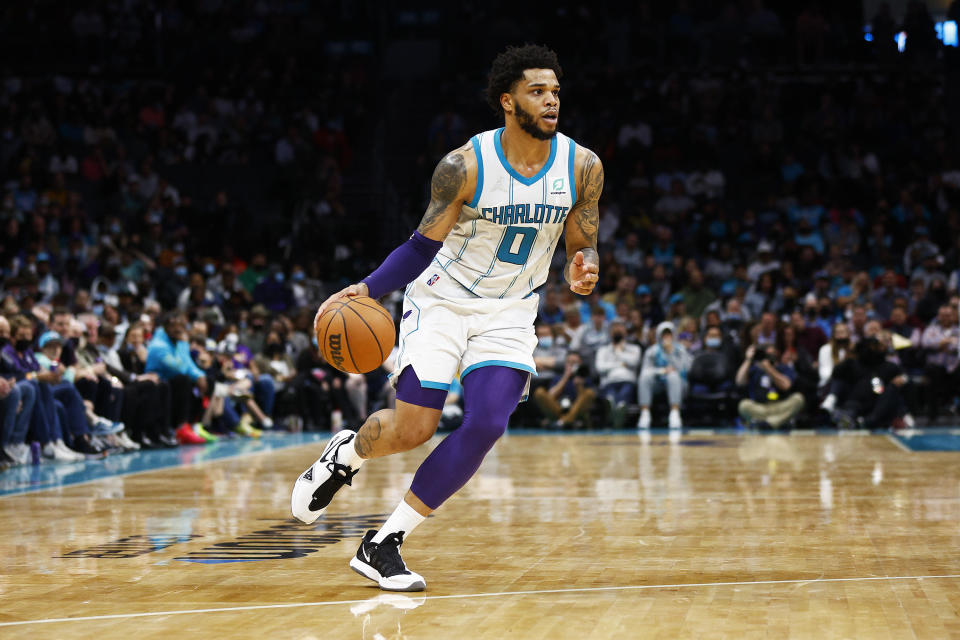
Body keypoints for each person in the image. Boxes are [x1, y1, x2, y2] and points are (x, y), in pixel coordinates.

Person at [290, 44, 602, 591]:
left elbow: (582, 238)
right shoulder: (464, 166)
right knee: (414, 430)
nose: (552, 100)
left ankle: (384, 542)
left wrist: (585, 264)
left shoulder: (583, 167)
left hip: (509, 312)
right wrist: (363, 289)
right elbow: (418, 248)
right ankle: (346, 455)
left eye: (555, 91)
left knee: (486, 423)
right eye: (537, 91)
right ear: (508, 102)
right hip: (441, 302)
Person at [736, 342, 805, 429]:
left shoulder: (783, 368)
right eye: (767, 355)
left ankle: (768, 423)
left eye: (772, 354)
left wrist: (769, 369)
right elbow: (739, 382)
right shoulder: (756, 369)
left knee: (798, 399)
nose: (769, 357)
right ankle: (775, 422)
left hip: (780, 406)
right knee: (743, 405)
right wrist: (748, 359)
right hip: (760, 408)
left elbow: (786, 386)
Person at [636, 321, 689, 430]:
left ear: (673, 335)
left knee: (673, 375)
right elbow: (645, 370)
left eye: (669, 334)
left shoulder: (680, 350)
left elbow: (685, 369)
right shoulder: (652, 351)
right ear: (659, 336)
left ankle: (675, 413)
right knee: (644, 377)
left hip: (678, 384)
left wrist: (671, 353)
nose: (667, 337)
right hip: (658, 383)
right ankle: (645, 413)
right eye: (664, 334)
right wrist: (662, 371)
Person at [594, 320, 641, 428]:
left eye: (620, 328)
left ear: (625, 332)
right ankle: (616, 416)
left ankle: (616, 416)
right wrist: (620, 364)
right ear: (610, 333)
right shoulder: (603, 350)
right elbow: (600, 368)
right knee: (610, 398)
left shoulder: (634, 349)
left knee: (623, 396)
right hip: (608, 382)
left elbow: (634, 362)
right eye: (615, 329)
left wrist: (619, 351)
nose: (617, 331)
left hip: (627, 381)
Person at [532, 351, 596, 428]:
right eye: (569, 362)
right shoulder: (558, 377)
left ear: (580, 363)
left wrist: (579, 385)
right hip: (558, 409)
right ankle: (566, 421)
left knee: (590, 392)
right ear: (565, 364)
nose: (572, 365)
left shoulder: (584, 377)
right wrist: (565, 378)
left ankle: (563, 422)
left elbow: (584, 401)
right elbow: (551, 396)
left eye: (575, 362)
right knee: (540, 392)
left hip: (576, 411)